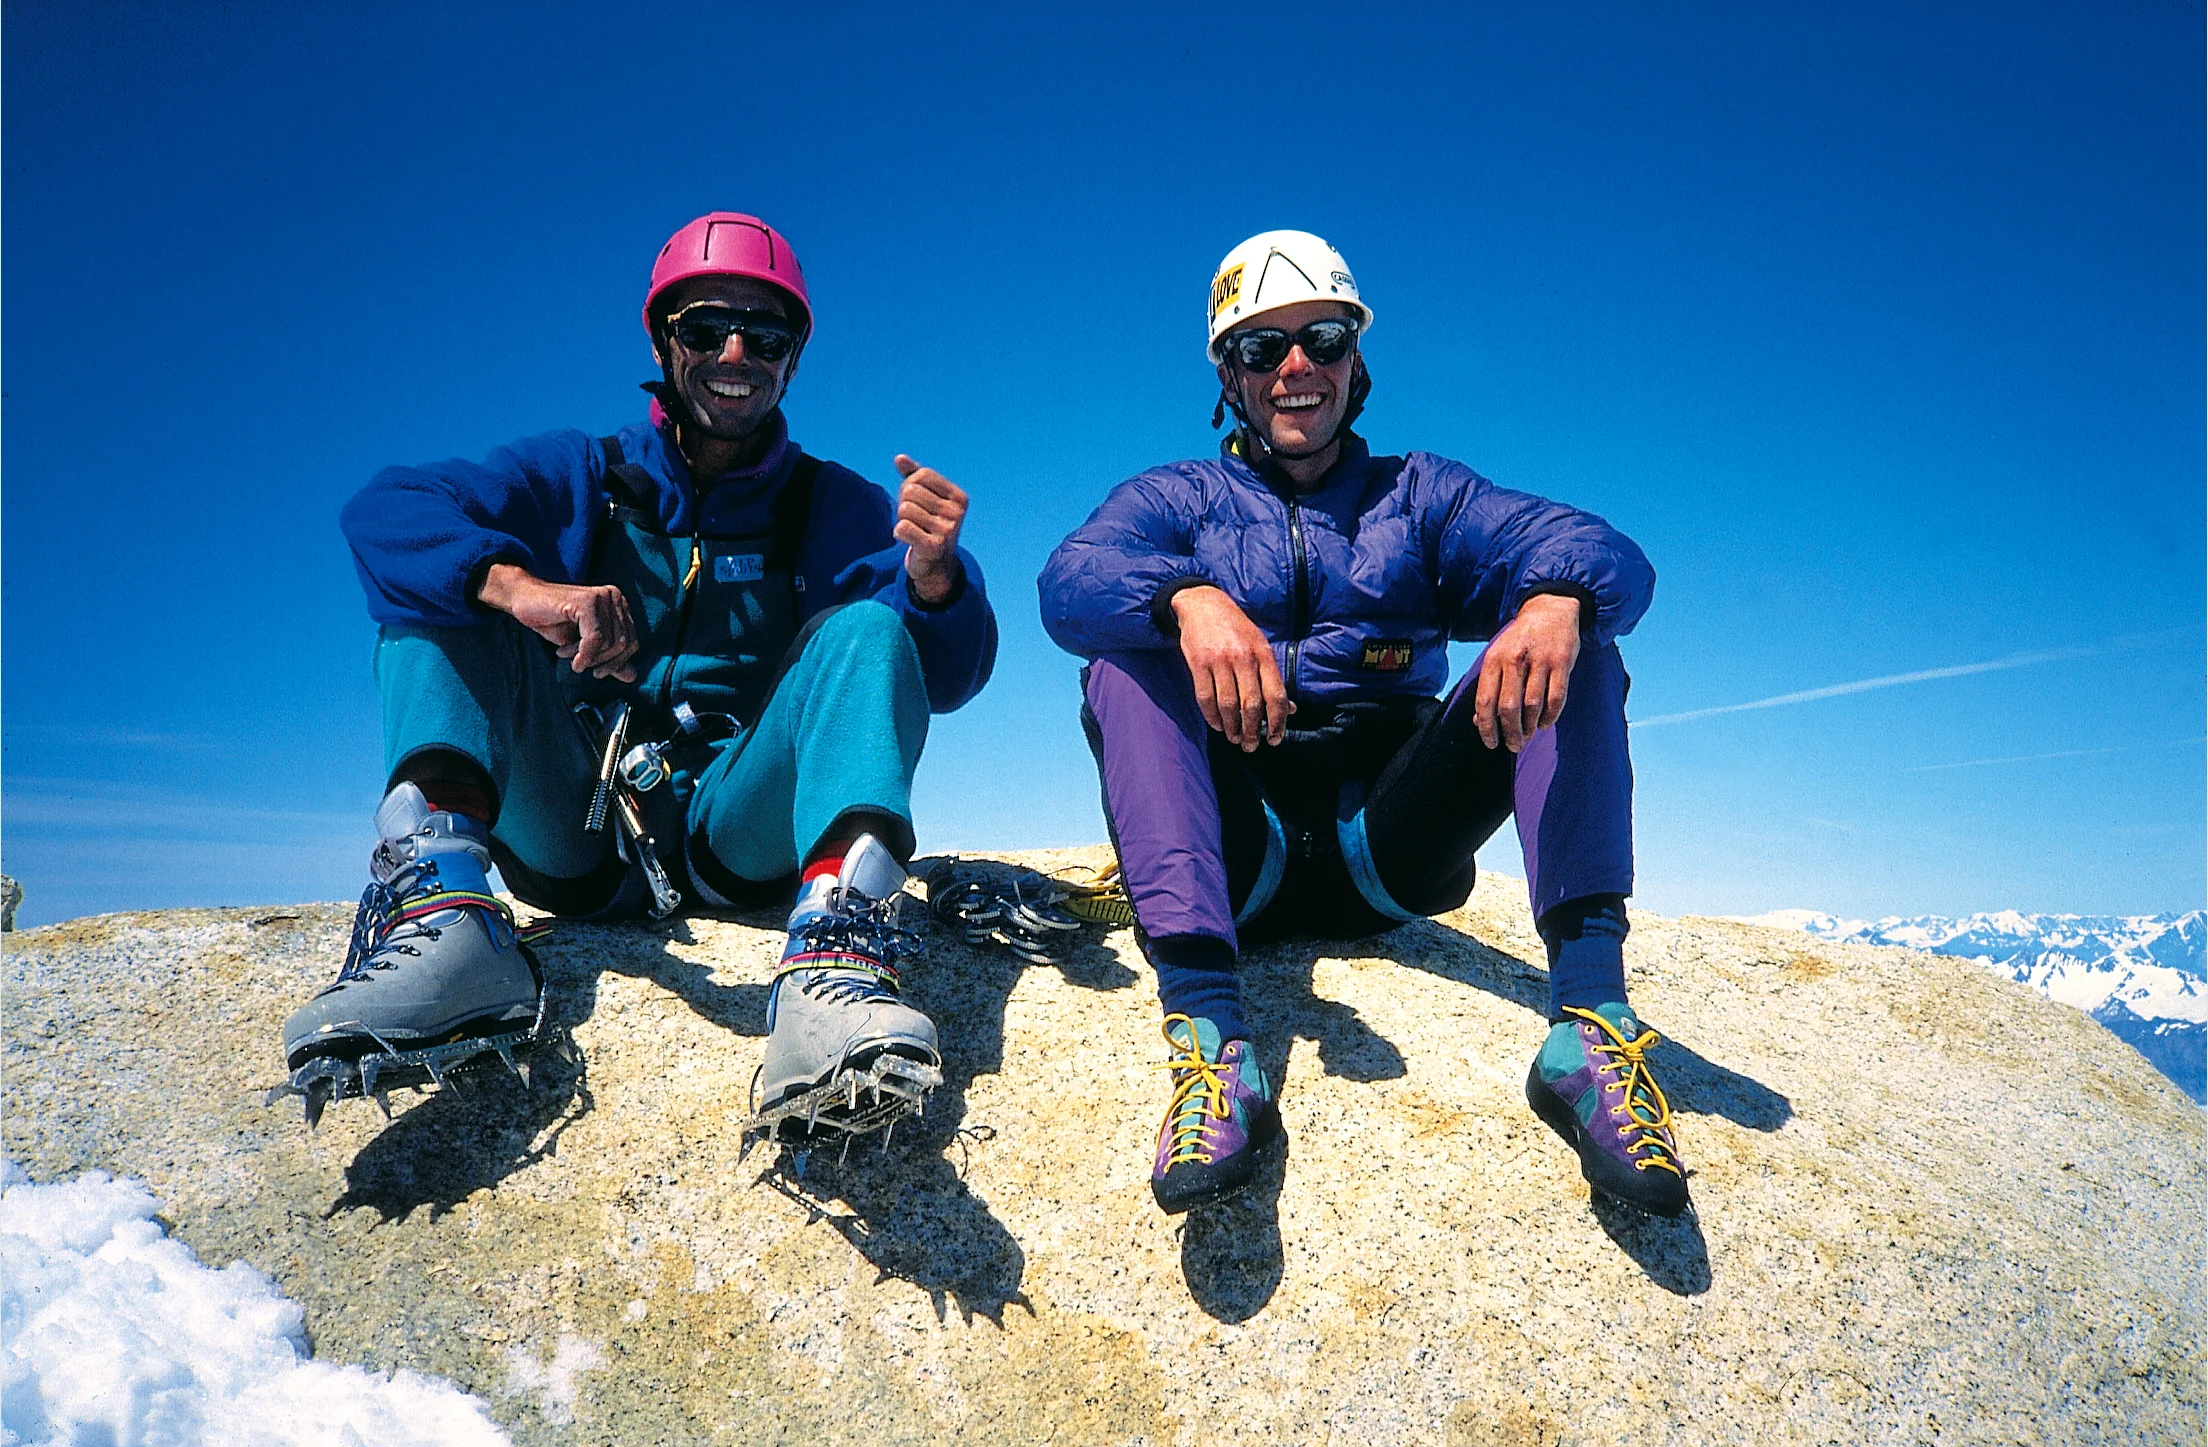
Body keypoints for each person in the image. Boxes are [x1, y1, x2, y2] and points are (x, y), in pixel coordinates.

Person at [283, 212, 996, 1134]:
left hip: (737, 835)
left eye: (764, 334)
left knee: (866, 628)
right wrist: (519, 586)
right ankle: (448, 925)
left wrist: (937, 584)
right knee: (441, 595)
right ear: (665, 338)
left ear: (792, 359)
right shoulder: (583, 475)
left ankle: (834, 965)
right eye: (706, 327)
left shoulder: (833, 506)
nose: (734, 349)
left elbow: (935, 677)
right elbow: (388, 511)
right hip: (576, 830)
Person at [1037, 230, 1684, 1217]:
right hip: (1237, 854)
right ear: (1230, 374)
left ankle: (1589, 1028)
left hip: (1388, 841)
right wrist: (1184, 597)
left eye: (1324, 337)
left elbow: (1602, 551)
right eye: (1264, 348)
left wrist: (1556, 595)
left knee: (1574, 632)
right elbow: (1069, 581)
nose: (1297, 367)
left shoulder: (1422, 499)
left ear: (1356, 360)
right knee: (1122, 665)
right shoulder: (1179, 500)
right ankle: (1214, 1046)